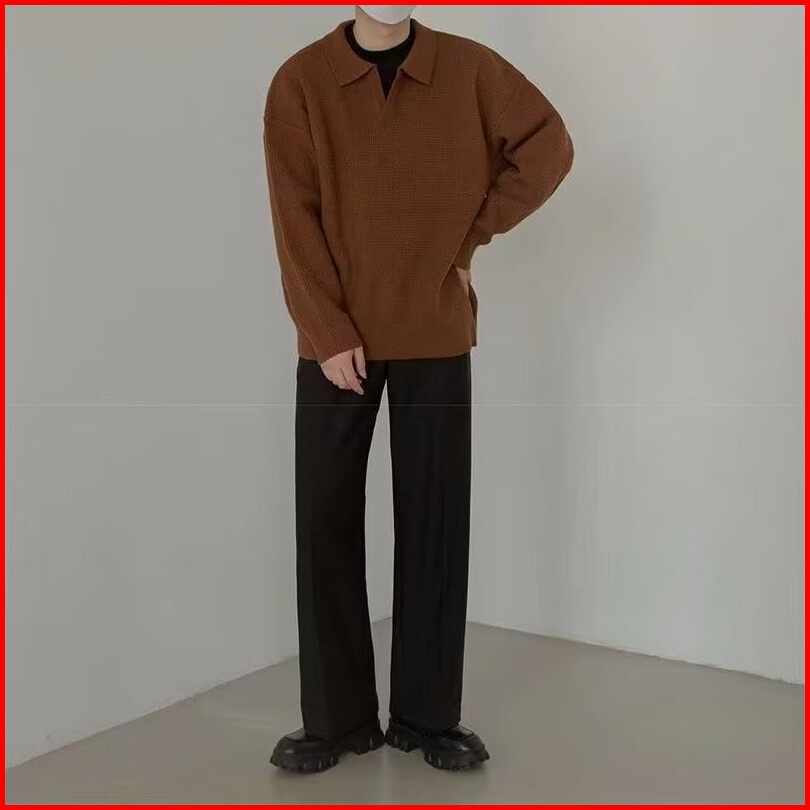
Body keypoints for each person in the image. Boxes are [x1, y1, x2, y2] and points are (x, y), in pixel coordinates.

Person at [262, 4, 574, 773]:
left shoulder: (471, 69)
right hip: (336, 341)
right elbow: (293, 217)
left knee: (435, 521)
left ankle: (428, 717)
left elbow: (548, 145)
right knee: (325, 521)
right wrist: (327, 329)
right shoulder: (301, 81)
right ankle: (336, 721)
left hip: (435, 330)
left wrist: (469, 239)